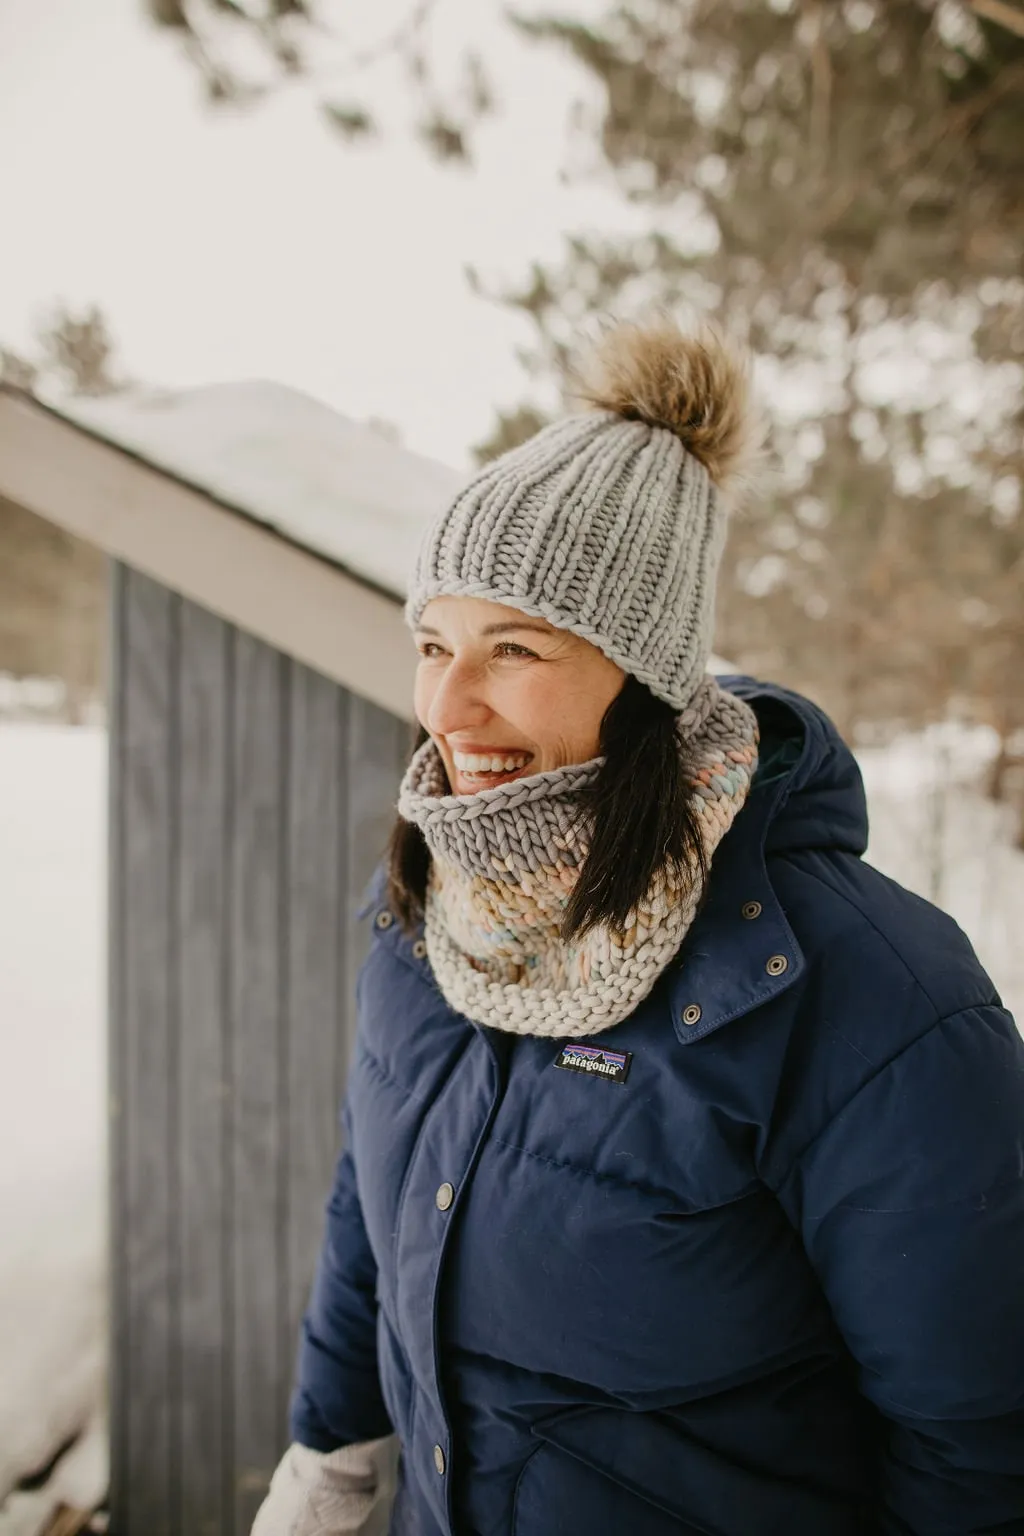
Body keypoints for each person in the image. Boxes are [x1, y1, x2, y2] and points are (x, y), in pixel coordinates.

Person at [252, 319, 1024, 1536]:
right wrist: (330, 1452)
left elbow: (978, 1440)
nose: (449, 704)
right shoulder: (422, 913)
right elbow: (371, 1200)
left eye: (513, 648)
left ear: (643, 674)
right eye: (434, 644)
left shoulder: (870, 1000)